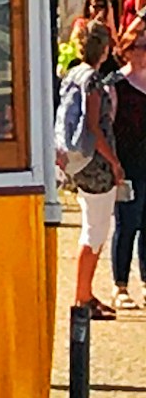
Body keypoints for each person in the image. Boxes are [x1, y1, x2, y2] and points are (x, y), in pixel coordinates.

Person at [57, 25, 126, 319]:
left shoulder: (73, 74)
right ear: (105, 49)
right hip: (94, 162)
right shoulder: (94, 81)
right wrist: (114, 162)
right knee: (95, 229)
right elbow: (94, 128)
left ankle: (85, 293)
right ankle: (83, 296)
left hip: (74, 159)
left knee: (91, 226)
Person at [110, 15, 146, 310]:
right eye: (141, 46)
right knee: (127, 224)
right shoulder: (117, 84)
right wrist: (114, 165)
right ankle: (120, 285)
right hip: (128, 164)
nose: (145, 51)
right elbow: (107, 127)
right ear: (129, 49)